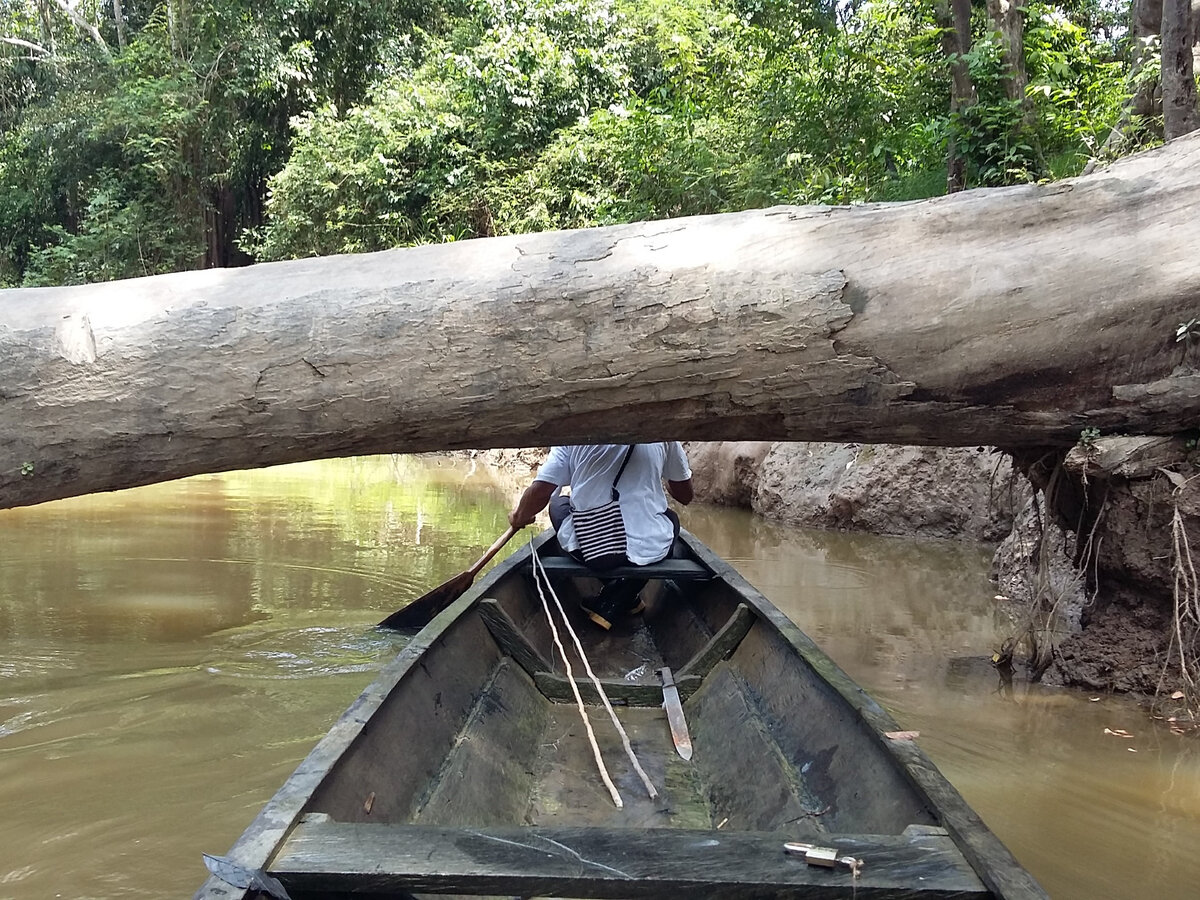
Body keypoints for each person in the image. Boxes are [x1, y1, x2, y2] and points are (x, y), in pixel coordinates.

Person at [508, 442, 694, 629]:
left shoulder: (572, 432)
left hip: (596, 552)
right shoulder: (664, 435)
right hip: (650, 549)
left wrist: (518, 517)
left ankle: (615, 598)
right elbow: (685, 496)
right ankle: (625, 594)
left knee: (558, 504)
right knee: (671, 519)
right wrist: (665, 474)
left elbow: (541, 491)